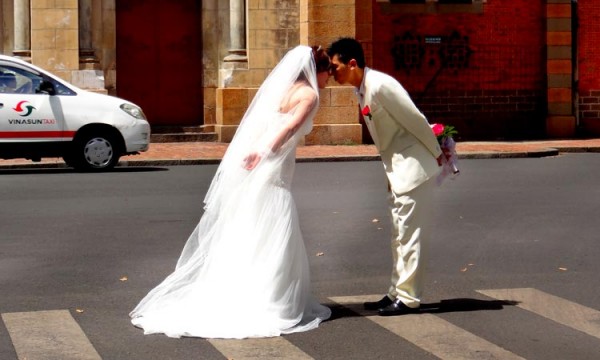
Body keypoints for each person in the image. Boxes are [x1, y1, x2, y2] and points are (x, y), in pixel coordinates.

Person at [130, 45, 332, 339]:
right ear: (319, 71)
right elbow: (289, 127)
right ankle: (270, 297)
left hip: (266, 165)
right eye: (328, 74)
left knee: (253, 226)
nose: (329, 81)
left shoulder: (284, 90)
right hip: (273, 167)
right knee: (276, 227)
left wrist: (256, 152)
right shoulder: (309, 95)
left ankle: (246, 288)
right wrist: (262, 153)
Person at [327, 38, 445, 316]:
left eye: (335, 67)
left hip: (413, 169)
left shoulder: (380, 85)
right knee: (398, 235)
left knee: (410, 235)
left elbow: (414, 118)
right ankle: (395, 291)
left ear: (352, 63)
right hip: (398, 171)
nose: (332, 73)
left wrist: (438, 152)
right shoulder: (362, 88)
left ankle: (408, 297)